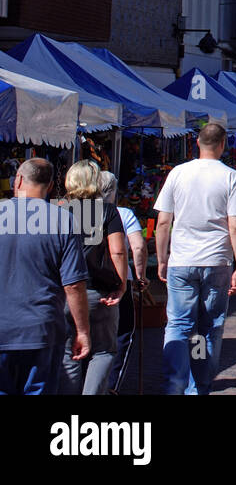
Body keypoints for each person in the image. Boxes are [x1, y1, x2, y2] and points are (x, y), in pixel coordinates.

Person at [155, 123, 236, 395]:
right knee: (208, 327)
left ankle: (175, 385)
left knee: (179, 325)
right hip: (216, 260)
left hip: (182, 259)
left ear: (197, 142)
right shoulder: (230, 177)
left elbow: (163, 222)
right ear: (222, 144)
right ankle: (199, 386)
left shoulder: (178, 173)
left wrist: (162, 258)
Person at [0, 159, 90, 395]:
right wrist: (82, 331)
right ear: (50, 186)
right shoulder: (63, 220)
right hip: (41, 329)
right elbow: (74, 285)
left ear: (18, 180)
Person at [57, 161, 128, 395]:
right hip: (99, 291)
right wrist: (121, 285)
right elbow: (117, 251)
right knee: (103, 351)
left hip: (65, 292)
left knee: (69, 352)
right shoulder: (107, 211)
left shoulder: (58, 210)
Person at [102, 171, 148, 394]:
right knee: (122, 333)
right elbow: (137, 247)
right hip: (120, 280)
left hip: (86, 281)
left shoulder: (78, 212)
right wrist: (139, 275)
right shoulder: (123, 213)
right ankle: (111, 386)